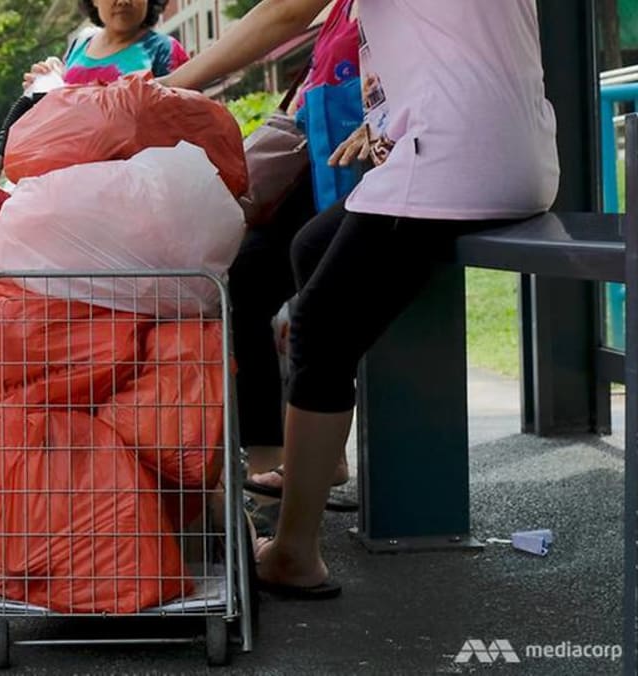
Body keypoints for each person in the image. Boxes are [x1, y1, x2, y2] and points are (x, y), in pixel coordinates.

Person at [164, 0, 558, 597]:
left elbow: (285, 11)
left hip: (451, 161)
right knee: (312, 245)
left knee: (321, 324)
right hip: (512, 155)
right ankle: (324, 457)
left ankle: (294, 553)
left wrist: (166, 87)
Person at [232, 0, 361, 509]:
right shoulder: (341, 13)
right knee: (265, 285)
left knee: (310, 303)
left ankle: (297, 465)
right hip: (327, 163)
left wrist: (179, 81)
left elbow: (282, 13)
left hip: (365, 165)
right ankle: (288, 462)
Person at [23, 0, 188, 89]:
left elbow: (185, 117)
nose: (123, 1)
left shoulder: (164, 49)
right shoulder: (80, 44)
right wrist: (41, 84)